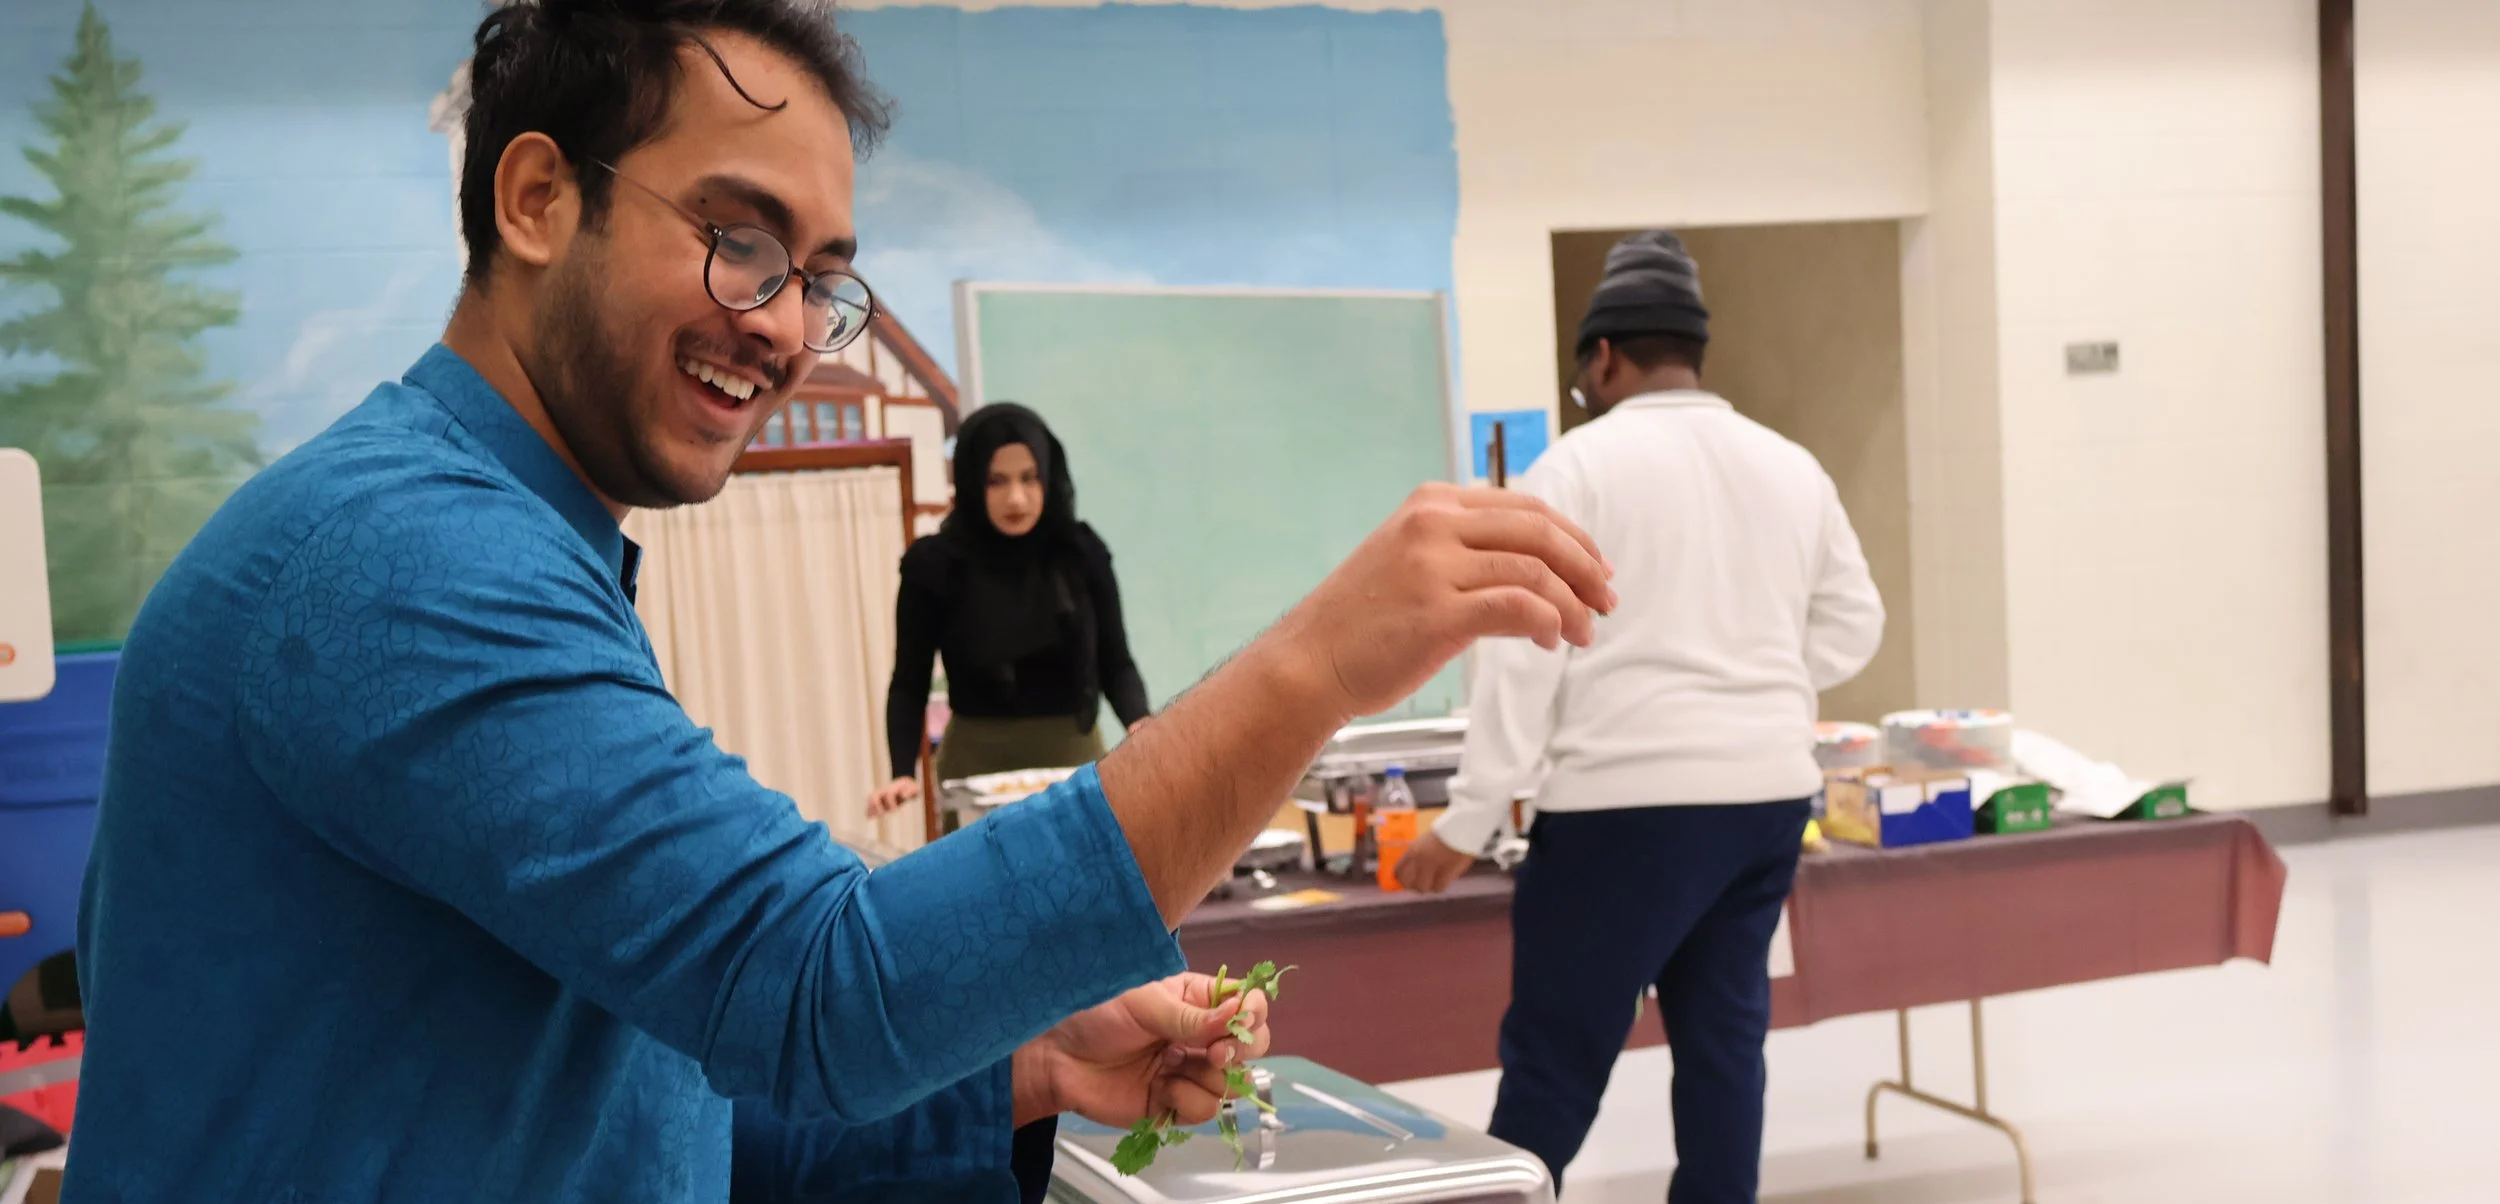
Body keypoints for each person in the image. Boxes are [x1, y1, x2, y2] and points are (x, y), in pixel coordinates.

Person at [63, 2, 1617, 1201]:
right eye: (739, 242)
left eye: (822, 276)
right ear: (536, 198)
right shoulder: (401, 563)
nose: (790, 326)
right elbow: (823, 985)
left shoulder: (521, 549)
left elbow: (643, 1122)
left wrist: (1020, 1066)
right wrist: (1311, 669)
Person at [1394, 231, 1884, 1202]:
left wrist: (1468, 820)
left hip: (1622, 815)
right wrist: (1759, 684)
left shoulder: (1574, 470)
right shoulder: (1791, 465)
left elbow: (1524, 650)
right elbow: (1854, 623)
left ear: (1604, 357)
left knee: (1557, 1055)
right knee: (1724, 1044)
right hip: (1763, 803)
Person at [870, 403, 1149, 824]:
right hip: (975, 768)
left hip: (1074, 761)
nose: (1015, 498)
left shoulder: (1080, 553)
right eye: (996, 481)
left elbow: (1116, 661)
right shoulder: (935, 565)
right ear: (970, 481)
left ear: (1049, 476)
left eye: (1029, 478)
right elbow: (910, 683)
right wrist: (902, 771)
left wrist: (1140, 722)